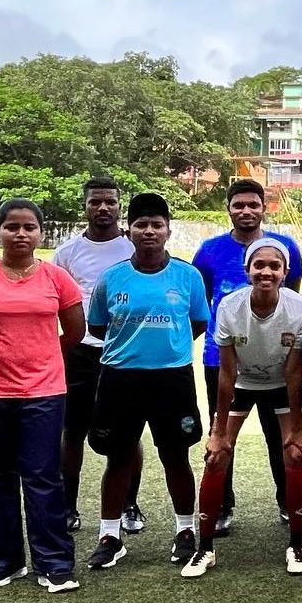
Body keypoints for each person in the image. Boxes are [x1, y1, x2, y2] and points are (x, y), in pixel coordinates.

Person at [0, 198, 84, 592]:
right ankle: (3, 563)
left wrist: (40, 357)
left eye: (29, 227)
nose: (21, 234)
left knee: (43, 475)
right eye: (12, 227)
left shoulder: (57, 280)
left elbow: (74, 332)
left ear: (41, 232)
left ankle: (55, 564)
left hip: (41, 393)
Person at [85, 193, 210, 572]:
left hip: (171, 378)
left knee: (176, 455)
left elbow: (198, 322)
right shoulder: (113, 277)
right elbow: (98, 325)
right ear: (129, 230)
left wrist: (166, 348)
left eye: (157, 224)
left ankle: (185, 530)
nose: (150, 231)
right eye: (141, 224)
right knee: (118, 456)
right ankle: (110, 536)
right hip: (120, 378)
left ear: (169, 230)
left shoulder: (188, 276)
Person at [184, 240, 302, 578]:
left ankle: (297, 543)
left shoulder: (299, 308)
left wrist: (298, 428)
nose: (266, 271)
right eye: (259, 265)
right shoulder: (229, 306)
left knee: (295, 455)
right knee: (217, 456)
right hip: (242, 384)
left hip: (281, 385)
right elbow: (226, 373)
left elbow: (294, 371)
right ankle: (205, 548)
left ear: (286, 272)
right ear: (247, 270)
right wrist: (217, 431)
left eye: (274, 265)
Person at [191, 178, 302, 533]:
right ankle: (222, 506)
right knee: (221, 433)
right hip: (221, 360)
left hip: (274, 362)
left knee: (278, 435)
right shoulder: (209, 250)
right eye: (238, 204)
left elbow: (291, 300)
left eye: (253, 204)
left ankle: (288, 503)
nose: (246, 211)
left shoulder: (286, 246)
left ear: (263, 207)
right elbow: (205, 301)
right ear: (229, 208)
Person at [53, 177, 138, 535]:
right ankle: (68, 507)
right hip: (81, 351)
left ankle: (129, 506)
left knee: (129, 435)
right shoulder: (67, 253)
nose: (103, 208)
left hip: (126, 354)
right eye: (95, 202)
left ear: (120, 206)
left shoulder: (134, 248)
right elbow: (55, 301)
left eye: (110, 202)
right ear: (85, 206)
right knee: (72, 431)